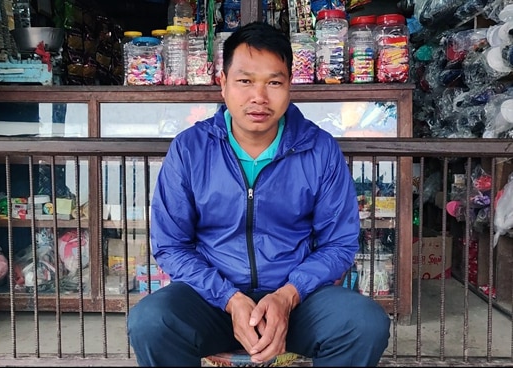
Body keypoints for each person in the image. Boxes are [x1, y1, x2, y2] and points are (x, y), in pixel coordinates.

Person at [127, 21, 390, 367]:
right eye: (245, 81)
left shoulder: (319, 149)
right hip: (213, 301)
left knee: (364, 324)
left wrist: (287, 296)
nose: (259, 97)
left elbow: (338, 244)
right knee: (151, 322)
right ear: (222, 84)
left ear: (289, 85)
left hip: (299, 302)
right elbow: (171, 245)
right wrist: (230, 299)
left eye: (274, 82)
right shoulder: (190, 149)